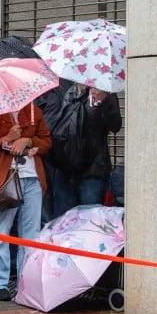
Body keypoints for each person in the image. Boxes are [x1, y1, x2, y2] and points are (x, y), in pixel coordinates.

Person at [0, 102, 52, 301]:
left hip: (32, 177)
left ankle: (26, 282)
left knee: (31, 233)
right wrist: (7, 139)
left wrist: (28, 140)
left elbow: (46, 142)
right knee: (0, 231)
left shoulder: (33, 110)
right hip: (5, 178)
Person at [51, 85, 122, 219]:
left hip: (93, 168)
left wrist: (104, 101)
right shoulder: (71, 92)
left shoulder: (105, 92)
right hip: (67, 166)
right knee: (63, 219)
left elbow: (115, 125)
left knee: (90, 218)